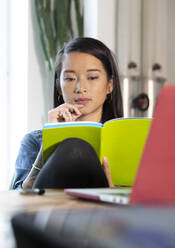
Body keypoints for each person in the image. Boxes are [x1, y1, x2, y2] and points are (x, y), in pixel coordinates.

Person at [12, 37, 123, 189]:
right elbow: (18, 201)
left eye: (92, 77)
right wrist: (49, 140)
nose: (80, 88)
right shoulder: (34, 141)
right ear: (59, 87)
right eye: (70, 78)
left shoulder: (124, 142)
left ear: (110, 85)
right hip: (49, 210)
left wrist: (115, 195)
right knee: (74, 146)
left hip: (106, 212)